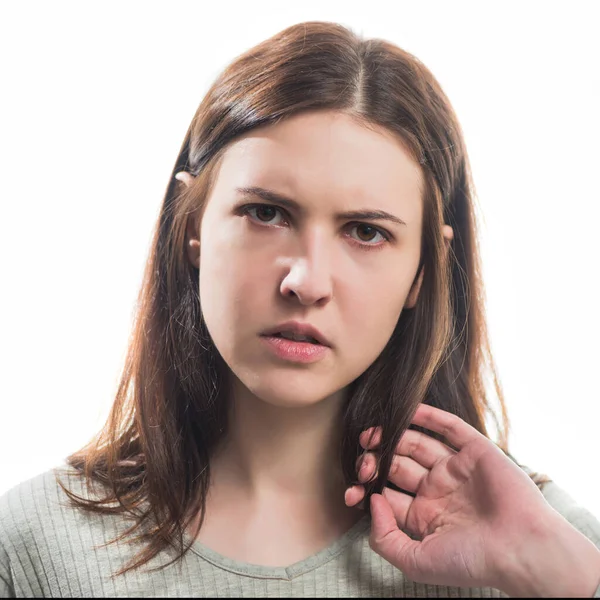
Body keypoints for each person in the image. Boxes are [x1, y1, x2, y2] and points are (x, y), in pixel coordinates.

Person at [1, 20, 599, 598]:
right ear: (193, 228)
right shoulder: (31, 551)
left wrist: (555, 573)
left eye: (365, 231)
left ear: (425, 269)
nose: (307, 281)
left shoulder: (541, 543)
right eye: (266, 213)